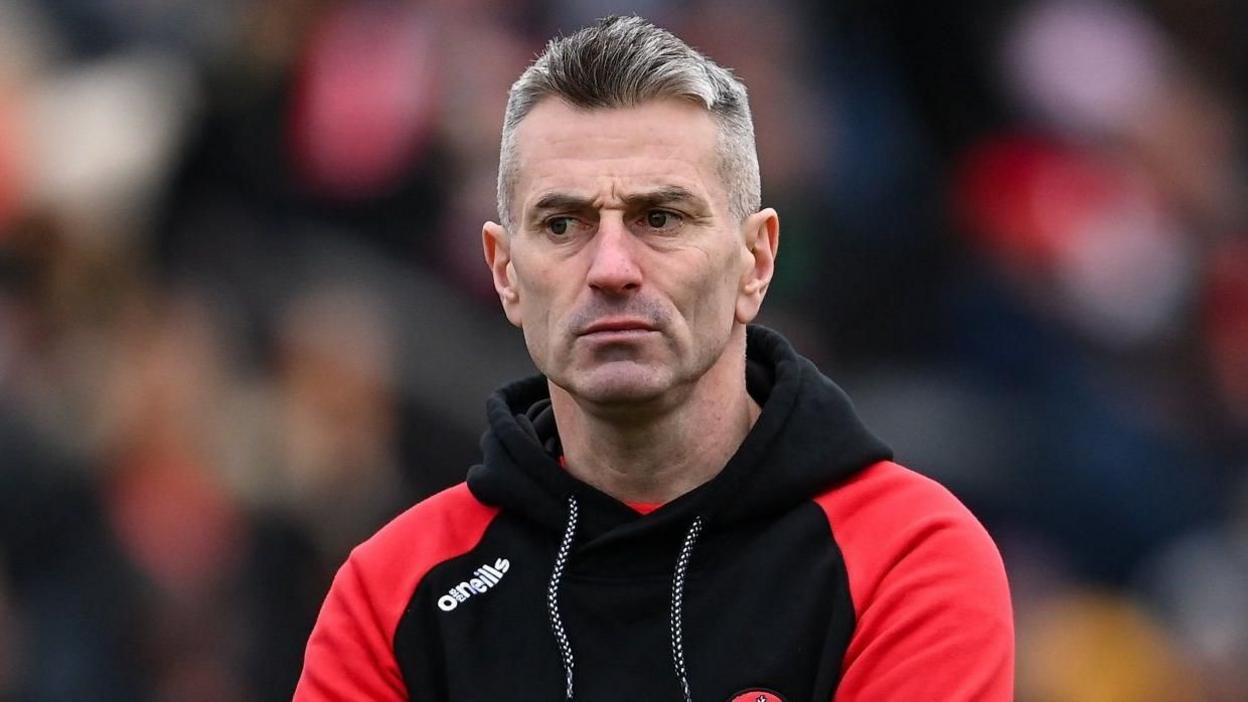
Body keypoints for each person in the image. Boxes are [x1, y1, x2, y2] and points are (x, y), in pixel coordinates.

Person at [295, 15, 1013, 701]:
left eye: (660, 218)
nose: (612, 267)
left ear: (755, 261)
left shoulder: (910, 559)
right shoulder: (390, 593)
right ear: (505, 272)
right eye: (563, 223)